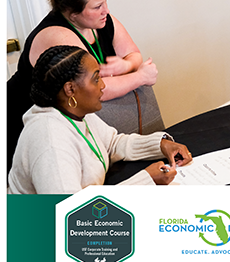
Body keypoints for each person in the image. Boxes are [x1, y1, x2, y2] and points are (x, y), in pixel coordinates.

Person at [7, 0, 158, 170]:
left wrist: (124, 66)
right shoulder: (57, 35)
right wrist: (141, 77)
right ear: (72, 13)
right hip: (21, 124)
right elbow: (96, 90)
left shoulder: (101, 21)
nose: (106, 10)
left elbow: (134, 54)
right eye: (97, 6)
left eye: (105, 1)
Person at [8, 46, 192, 194]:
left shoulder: (71, 112)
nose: (103, 85)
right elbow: (69, 215)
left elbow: (111, 143)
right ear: (70, 89)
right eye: (96, 79)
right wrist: (146, 181)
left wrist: (160, 145)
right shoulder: (50, 141)